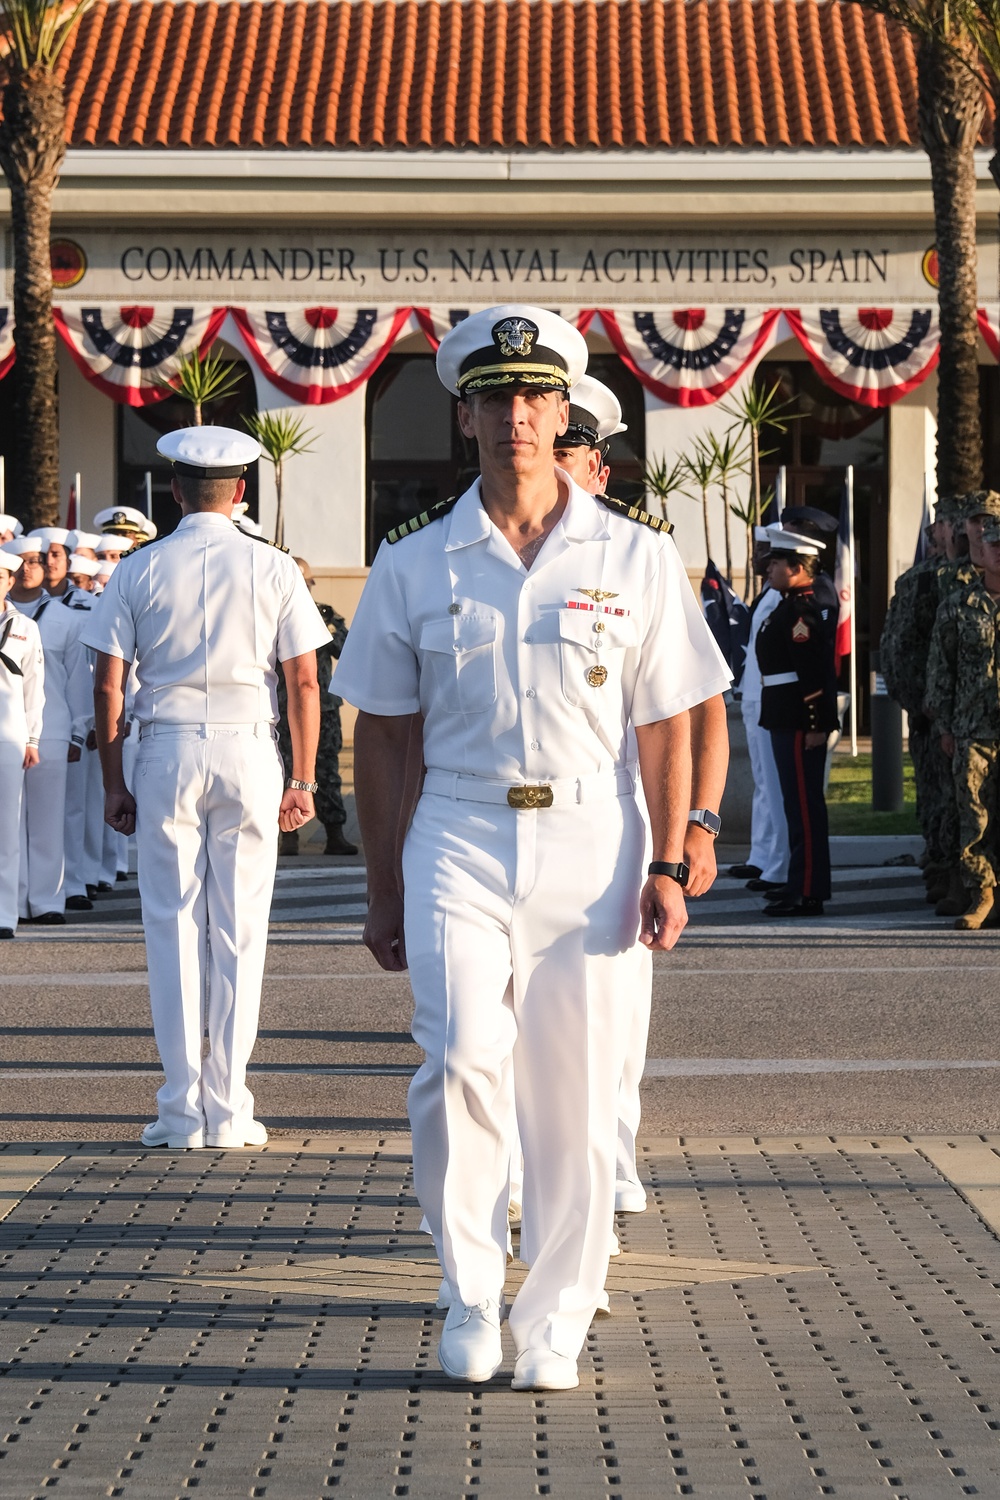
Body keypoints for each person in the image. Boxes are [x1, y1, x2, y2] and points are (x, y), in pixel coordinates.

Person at [333, 305, 730, 1392]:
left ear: (563, 415)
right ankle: (468, 1291)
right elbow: (382, 734)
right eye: (496, 398)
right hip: (456, 831)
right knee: (457, 1058)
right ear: (464, 415)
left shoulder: (635, 556)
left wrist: (670, 855)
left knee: (575, 1084)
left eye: (535, 397)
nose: (516, 415)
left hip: (594, 835)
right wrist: (379, 889)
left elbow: (667, 721)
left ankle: (553, 1314)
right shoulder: (414, 565)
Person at [84, 427, 330, 1150]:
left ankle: (180, 1111)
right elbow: (305, 680)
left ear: (173, 491)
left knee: (172, 927)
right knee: (240, 930)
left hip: (164, 750)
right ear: (241, 493)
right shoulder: (275, 567)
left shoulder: (138, 569)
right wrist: (305, 778)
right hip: (250, 750)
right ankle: (229, 1108)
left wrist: (112, 781)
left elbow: (107, 685)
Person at [4, 535, 90, 924]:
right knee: (9, 821)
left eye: (35, 560)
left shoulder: (66, 619)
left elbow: (77, 683)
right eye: (19, 561)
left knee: (47, 820)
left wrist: (77, 730)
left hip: (51, 729)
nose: (28, 567)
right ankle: (13, 903)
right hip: (8, 730)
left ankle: (47, 900)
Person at [755, 525, 838, 918]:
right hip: (784, 716)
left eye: (776, 562)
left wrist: (817, 725)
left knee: (805, 808)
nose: (768, 567)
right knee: (794, 806)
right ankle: (797, 883)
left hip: (799, 721)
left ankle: (807, 893)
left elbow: (817, 674)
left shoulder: (802, 611)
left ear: (798, 567)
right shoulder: (787, 607)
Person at [925, 503, 1000, 930]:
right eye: (993, 544)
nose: (999, 552)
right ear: (980, 550)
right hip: (972, 728)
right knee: (974, 816)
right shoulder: (960, 604)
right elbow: (941, 670)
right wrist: (946, 726)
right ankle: (982, 893)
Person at [277, 558, 357, 858]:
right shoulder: (271, 612)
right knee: (284, 770)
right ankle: (289, 836)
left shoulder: (324, 614)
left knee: (327, 771)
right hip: (281, 709)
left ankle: (335, 833)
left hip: (322, 710)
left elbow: (349, 650)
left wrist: (329, 627)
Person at [0, 549, 44, 938]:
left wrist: (33, 737)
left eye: (0, 577)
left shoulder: (25, 627)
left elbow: (35, 688)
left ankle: (4, 913)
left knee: (7, 824)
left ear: (10, 582)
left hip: (9, 735)